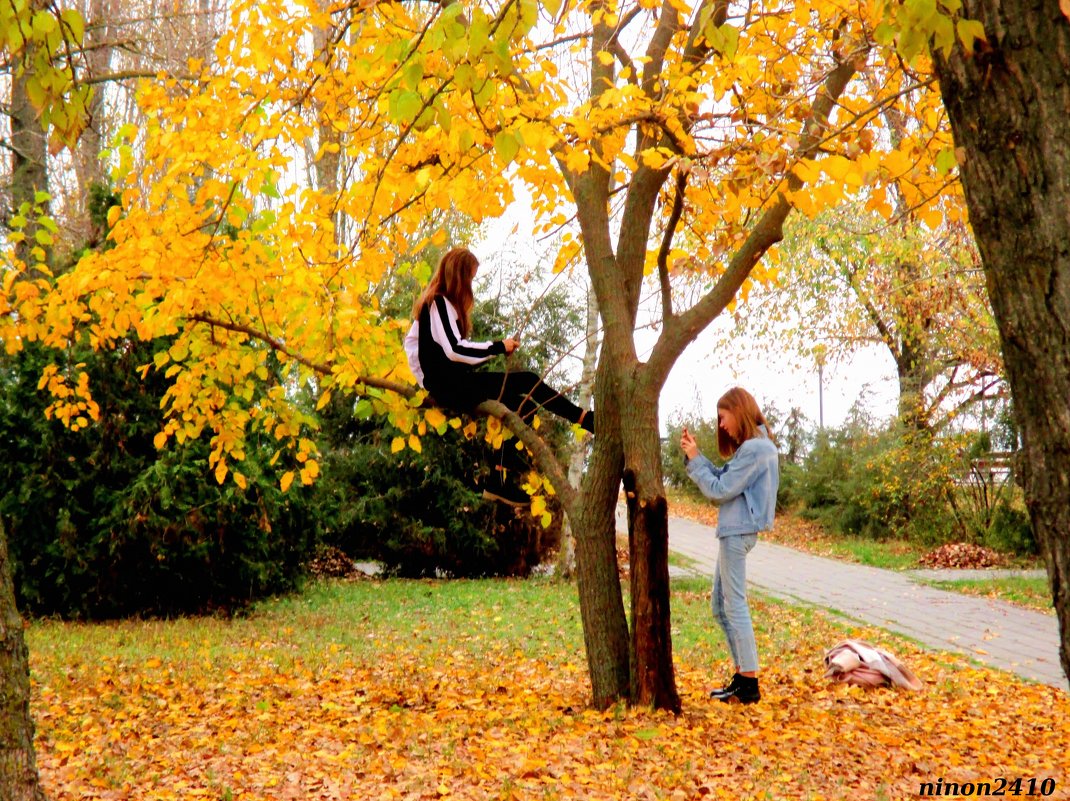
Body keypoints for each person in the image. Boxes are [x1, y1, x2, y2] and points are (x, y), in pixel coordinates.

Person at [404, 247, 593, 504]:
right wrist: (498, 346)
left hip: (448, 384)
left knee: (521, 406)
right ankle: (583, 419)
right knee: (527, 380)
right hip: (449, 385)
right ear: (459, 276)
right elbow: (455, 350)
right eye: (469, 278)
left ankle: (497, 480)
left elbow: (413, 344)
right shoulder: (438, 303)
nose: (471, 284)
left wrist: (424, 380)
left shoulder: (437, 306)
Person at [680, 387, 779, 704]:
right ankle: (742, 678)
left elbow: (719, 490)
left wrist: (695, 462)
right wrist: (696, 456)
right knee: (720, 607)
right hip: (734, 531)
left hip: (738, 532)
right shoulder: (755, 448)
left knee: (734, 605)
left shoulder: (755, 449)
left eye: (723, 418)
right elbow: (725, 476)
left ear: (738, 410)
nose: (721, 425)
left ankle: (748, 684)